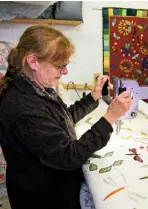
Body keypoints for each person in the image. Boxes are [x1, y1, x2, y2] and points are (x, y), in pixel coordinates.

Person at [0, 25, 131, 209]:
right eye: (60, 66)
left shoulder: (35, 89)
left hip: (48, 187)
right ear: (33, 62)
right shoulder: (23, 106)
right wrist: (110, 117)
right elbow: (69, 156)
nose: (65, 72)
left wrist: (93, 96)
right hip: (43, 198)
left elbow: (62, 119)